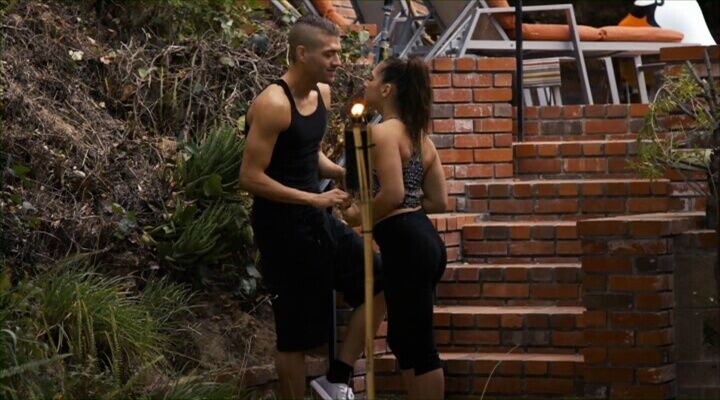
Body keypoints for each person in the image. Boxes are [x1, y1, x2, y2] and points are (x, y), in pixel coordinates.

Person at [238, 15, 386, 400]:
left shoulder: (322, 93)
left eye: (338, 52)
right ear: (302, 53)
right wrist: (314, 198)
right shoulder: (273, 104)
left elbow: (308, 153)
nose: (338, 61)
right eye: (329, 54)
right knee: (295, 337)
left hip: (317, 221)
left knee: (379, 278)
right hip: (282, 229)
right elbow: (250, 177)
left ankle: (336, 379)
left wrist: (339, 173)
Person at [342, 56, 448, 399]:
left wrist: (359, 217)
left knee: (418, 346)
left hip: (407, 245)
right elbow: (438, 201)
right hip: (425, 241)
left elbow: (393, 194)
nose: (367, 84)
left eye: (372, 78)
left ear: (387, 90)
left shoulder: (383, 132)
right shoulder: (420, 137)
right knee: (405, 341)